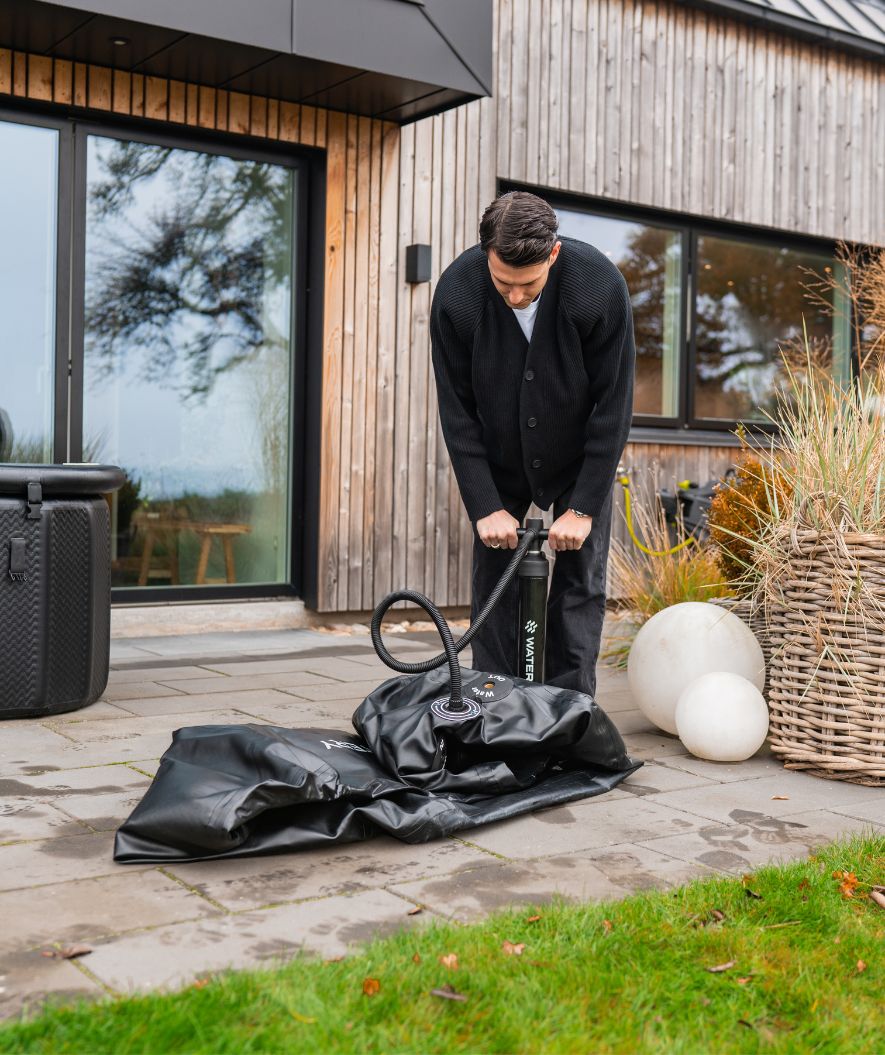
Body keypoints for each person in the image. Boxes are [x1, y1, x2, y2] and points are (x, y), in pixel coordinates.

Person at [429, 190, 635, 697]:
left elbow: (614, 408)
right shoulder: (456, 294)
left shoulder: (598, 286)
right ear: (486, 256)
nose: (514, 296)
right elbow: (457, 413)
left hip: (577, 455)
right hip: (498, 455)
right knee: (494, 577)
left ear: (554, 254)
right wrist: (485, 506)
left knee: (580, 583)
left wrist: (583, 508)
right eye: (503, 283)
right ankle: (492, 699)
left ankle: (569, 707)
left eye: (527, 285)